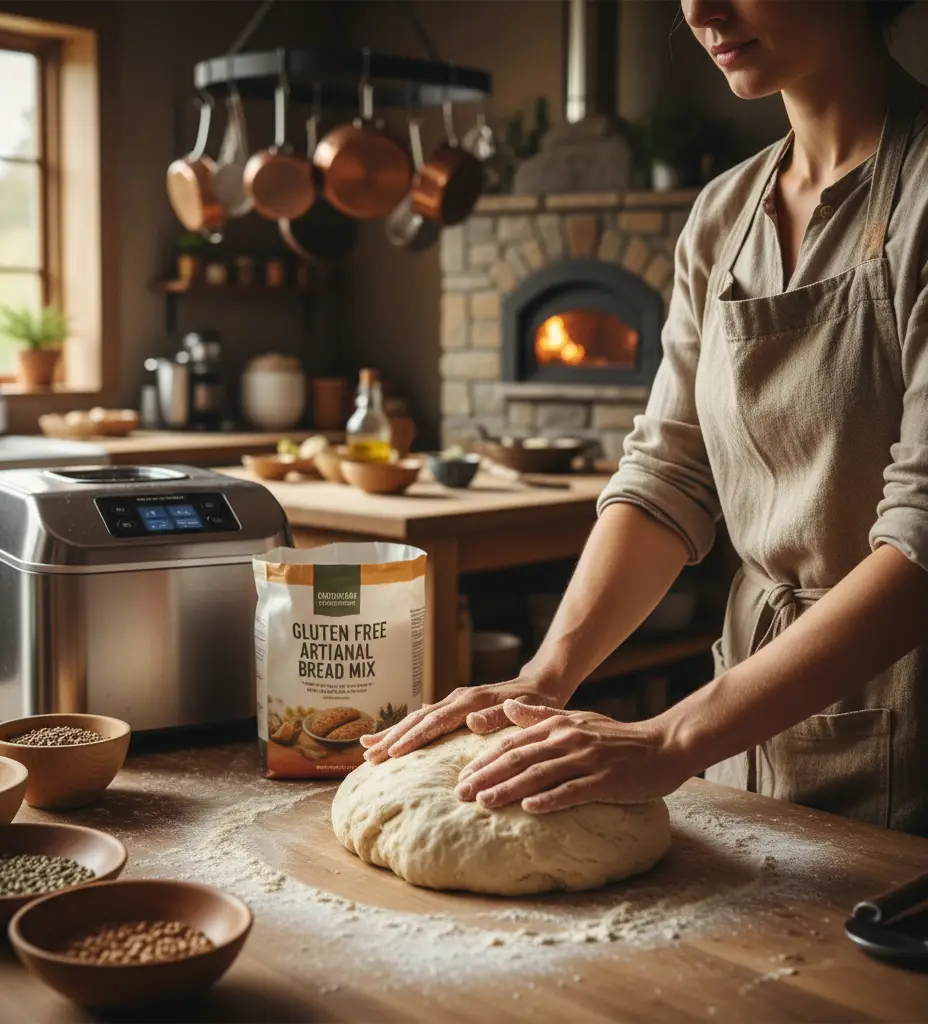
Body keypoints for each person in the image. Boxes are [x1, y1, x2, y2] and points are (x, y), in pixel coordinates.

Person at [362, 0, 928, 836]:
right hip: (748, 741)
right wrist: (545, 675)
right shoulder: (723, 217)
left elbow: (922, 538)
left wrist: (669, 736)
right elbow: (671, 471)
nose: (699, 8)